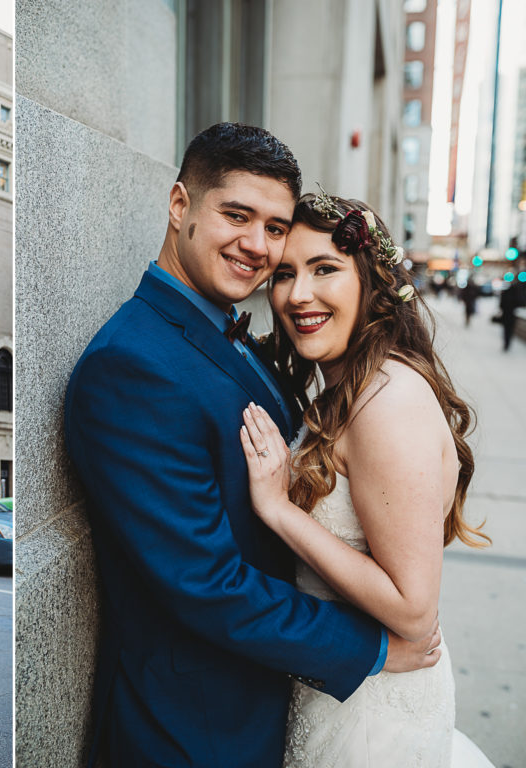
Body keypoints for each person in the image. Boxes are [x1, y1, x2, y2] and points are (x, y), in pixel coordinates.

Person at [63, 123, 441, 768]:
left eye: (274, 227)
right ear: (180, 204)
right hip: (194, 728)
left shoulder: (244, 341)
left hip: (270, 701)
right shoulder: (132, 364)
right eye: (236, 215)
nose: (257, 246)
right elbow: (203, 579)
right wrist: (369, 649)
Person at [240, 191, 493, 766]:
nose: (298, 294)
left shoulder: (387, 400)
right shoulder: (348, 387)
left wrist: (279, 511)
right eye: (283, 274)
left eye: (324, 269)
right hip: (342, 690)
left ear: (370, 282)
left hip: (377, 720)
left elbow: (412, 610)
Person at [499, 278, 524, 351]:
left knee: (506, 329)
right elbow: (521, 302)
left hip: (506, 314)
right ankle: (508, 343)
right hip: (512, 314)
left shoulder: (505, 292)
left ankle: (506, 343)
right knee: (510, 329)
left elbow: (501, 304)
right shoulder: (516, 295)